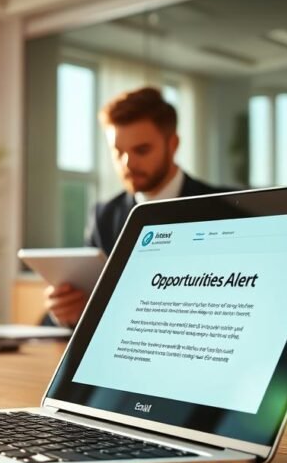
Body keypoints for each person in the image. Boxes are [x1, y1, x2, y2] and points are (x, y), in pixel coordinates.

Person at [45, 86, 231, 327]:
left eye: (141, 150)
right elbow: (88, 307)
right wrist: (68, 312)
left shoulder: (223, 208)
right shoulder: (104, 216)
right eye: (118, 152)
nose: (128, 163)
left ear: (173, 144)